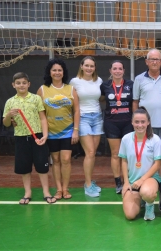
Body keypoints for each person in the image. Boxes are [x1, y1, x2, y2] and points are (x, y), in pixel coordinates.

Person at [3, 72, 56, 204]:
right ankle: (27, 193)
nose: (21, 85)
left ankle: (46, 192)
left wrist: (45, 135)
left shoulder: (36, 99)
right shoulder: (10, 102)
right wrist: (9, 115)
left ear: (29, 84)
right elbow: (6, 123)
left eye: (24, 83)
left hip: (37, 137)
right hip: (21, 138)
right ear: (13, 85)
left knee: (42, 166)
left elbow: (43, 118)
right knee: (24, 167)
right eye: (18, 83)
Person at [37, 58, 80, 200]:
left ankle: (66, 188)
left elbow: (76, 110)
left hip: (68, 130)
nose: (57, 72)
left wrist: (75, 130)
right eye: (54, 70)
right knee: (55, 160)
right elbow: (39, 112)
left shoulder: (71, 89)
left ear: (63, 72)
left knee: (66, 159)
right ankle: (59, 189)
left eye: (59, 70)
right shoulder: (42, 90)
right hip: (50, 132)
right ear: (49, 72)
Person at [119, 107, 161, 220]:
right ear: (132, 122)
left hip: (150, 179)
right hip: (133, 182)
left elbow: (157, 164)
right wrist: (126, 182)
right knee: (130, 215)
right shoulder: (126, 139)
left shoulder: (155, 139)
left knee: (147, 192)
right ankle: (141, 198)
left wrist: (142, 180)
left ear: (148, 122)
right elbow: (124, 161)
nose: (140, 125)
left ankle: (149, 205)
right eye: (137, 122)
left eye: (143, 122)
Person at [69, 56, 103, 197]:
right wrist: (75, 128)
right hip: (83, 118)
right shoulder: (74, 82)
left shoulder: (99, 81)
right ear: (81, 66)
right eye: (87, 65)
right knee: (89, 152)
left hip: (98, 118)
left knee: (92, 153)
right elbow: (73, 105)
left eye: (92, 66)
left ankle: (89, 181)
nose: (89, 68)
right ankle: (88, 185)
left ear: (94, 68)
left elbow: (99, 98)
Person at [100, 60, 134, 194]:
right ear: (110, 71)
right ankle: (118, 183)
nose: (117, 71)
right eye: (115, 68)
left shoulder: (130, 85)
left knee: (128, 154)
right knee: (115, 154)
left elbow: (134, 102)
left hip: (128, 123)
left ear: (124, 71)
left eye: (120, 69)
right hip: (111, 123)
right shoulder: (105, 85)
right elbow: (101, 99)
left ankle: (128, 180)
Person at [133, 49, 161, 140]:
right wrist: (136, 120)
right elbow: (135, 102)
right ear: (146, 62)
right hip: (145, 125)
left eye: (157, 59)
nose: (154, 62)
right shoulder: (139, 79)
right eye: (151, 59)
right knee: (148, 152)